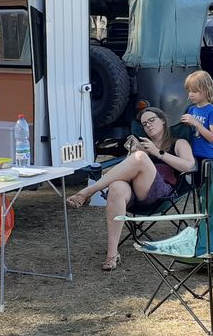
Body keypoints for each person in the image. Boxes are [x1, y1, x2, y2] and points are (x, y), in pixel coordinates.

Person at [65, 106, 195, 271]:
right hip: (134, 192)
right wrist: (132, 154)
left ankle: (89, 191)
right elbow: (126, 172)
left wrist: (157, 153)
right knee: (117, 187)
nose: (148, 125)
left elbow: (189, 166)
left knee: (140, 158)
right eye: (145, 124)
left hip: (160, 192)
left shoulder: (179, 142)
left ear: (163, 120)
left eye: (152, 120)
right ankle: (112, 255)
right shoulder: (142, 146)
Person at [180, 70, 213, 161]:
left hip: (208, 156)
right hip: (192, 154)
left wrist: (196, 123)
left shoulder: (212, 111)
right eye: (189, 91)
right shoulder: (191, 109)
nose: (190, 95)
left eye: (194, 91)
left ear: (206, 90)